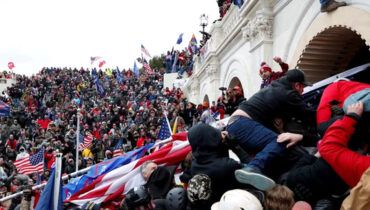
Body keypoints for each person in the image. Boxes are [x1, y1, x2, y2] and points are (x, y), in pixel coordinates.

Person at [227, 69, 315, 190]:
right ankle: (253, 167)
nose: (303, 91)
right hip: (242, 123)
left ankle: (258, 177)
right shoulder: (288, 93)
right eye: (302, 87)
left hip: (236, 124)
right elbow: (310, 115)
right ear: (297, 85)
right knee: (281, 141)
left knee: (273, 152)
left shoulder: (274, 87)